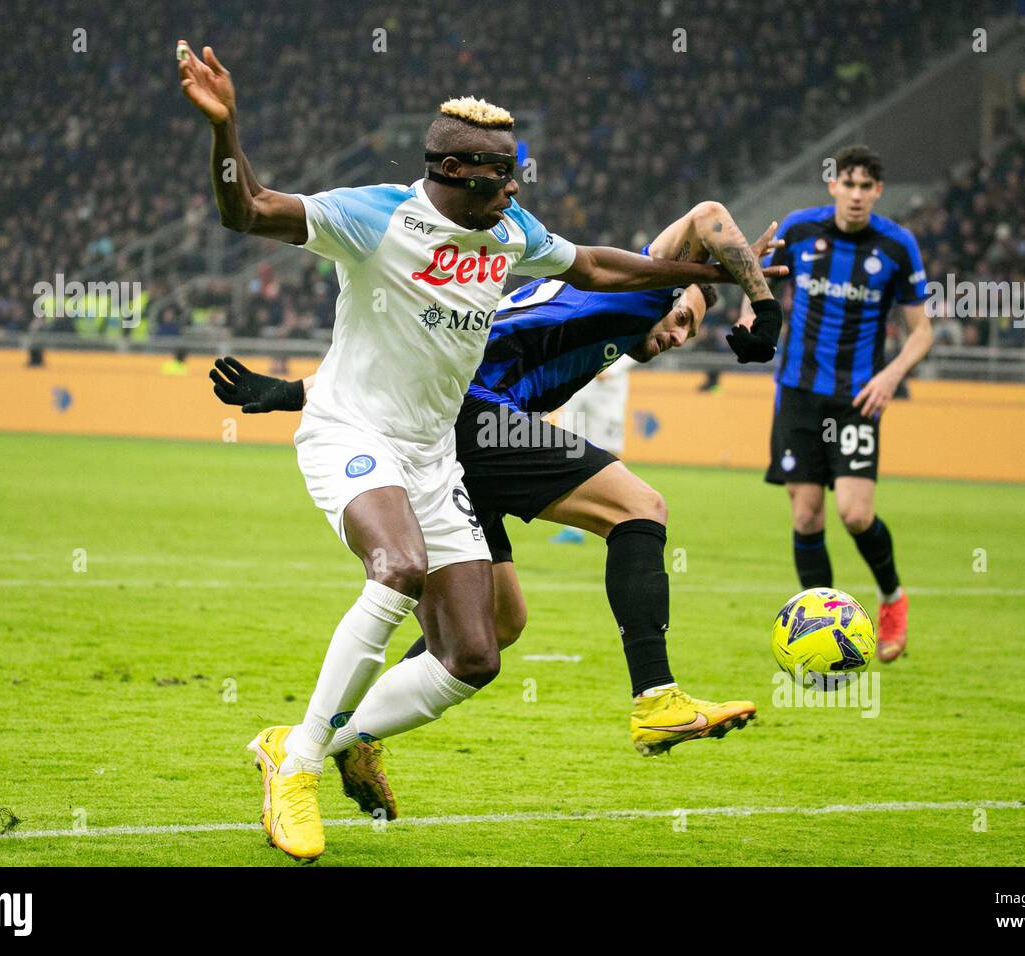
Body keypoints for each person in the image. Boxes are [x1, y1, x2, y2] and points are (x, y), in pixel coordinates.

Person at [178, 41, 754, 860]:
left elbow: (589, 262)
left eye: (515, 174)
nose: (515, 190)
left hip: (434, 453)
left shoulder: (511, 228)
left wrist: (713, 272)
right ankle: (296, 761)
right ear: (454, 170)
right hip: (352, 434)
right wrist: (225, 129)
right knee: (397, 567)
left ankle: (321, 743)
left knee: (476, 655)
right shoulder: (372, 216)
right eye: (500, 176)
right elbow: (249, 209)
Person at [212, 203, 786, 820]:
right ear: (666, 286)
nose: (677, 335)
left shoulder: (609, 311)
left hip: (456, 430)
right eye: (681, 319)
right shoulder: (642, 290)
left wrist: (292, 392)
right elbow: (707, 217)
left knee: (495, 629)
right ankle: (656, 697)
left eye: (690, 334)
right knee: (639, 507)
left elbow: (437, 355)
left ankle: (332, 738)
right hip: (477, 420)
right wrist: (762, 301)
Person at [749, 144, 932, 663]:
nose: (855, 195)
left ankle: (892, 597)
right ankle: (823, 632)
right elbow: (754, 276)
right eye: (847, 184)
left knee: (854, 514)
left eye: (865, 186)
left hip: (857, 401)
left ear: (877, 191)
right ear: (833, 186)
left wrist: (892, 376)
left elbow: (922, 332)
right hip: (799, 396)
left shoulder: (897, 247)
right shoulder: (801, 231)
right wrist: (750, 317)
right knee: (807, 517)